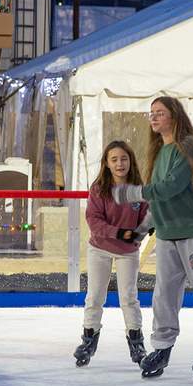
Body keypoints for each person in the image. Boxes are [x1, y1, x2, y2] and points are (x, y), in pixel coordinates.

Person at [110, 96, 193, 380]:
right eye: (151, 113)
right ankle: (162, 347)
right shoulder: (159, 152)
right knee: (163, 296)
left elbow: (169, 188)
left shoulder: (188, 148)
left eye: (159, 113)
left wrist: (131, 193)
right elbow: (159, 200)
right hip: (167, 234)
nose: (153, 118)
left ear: (174, 115)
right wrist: (142, 228)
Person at [74, 140, 150, 367]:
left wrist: (142, 231)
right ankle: (89, 340)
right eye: (114, 159)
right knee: (95, 295)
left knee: (128, 296)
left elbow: (147, 217)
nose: (120, 164)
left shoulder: (138, 190)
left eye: (124, 159)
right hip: (100, 248)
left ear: (131, 161)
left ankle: (136, 341)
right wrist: (120, 233)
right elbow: (94, 222)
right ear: (106, 163)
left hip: (128, 252)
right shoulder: (98, 190)